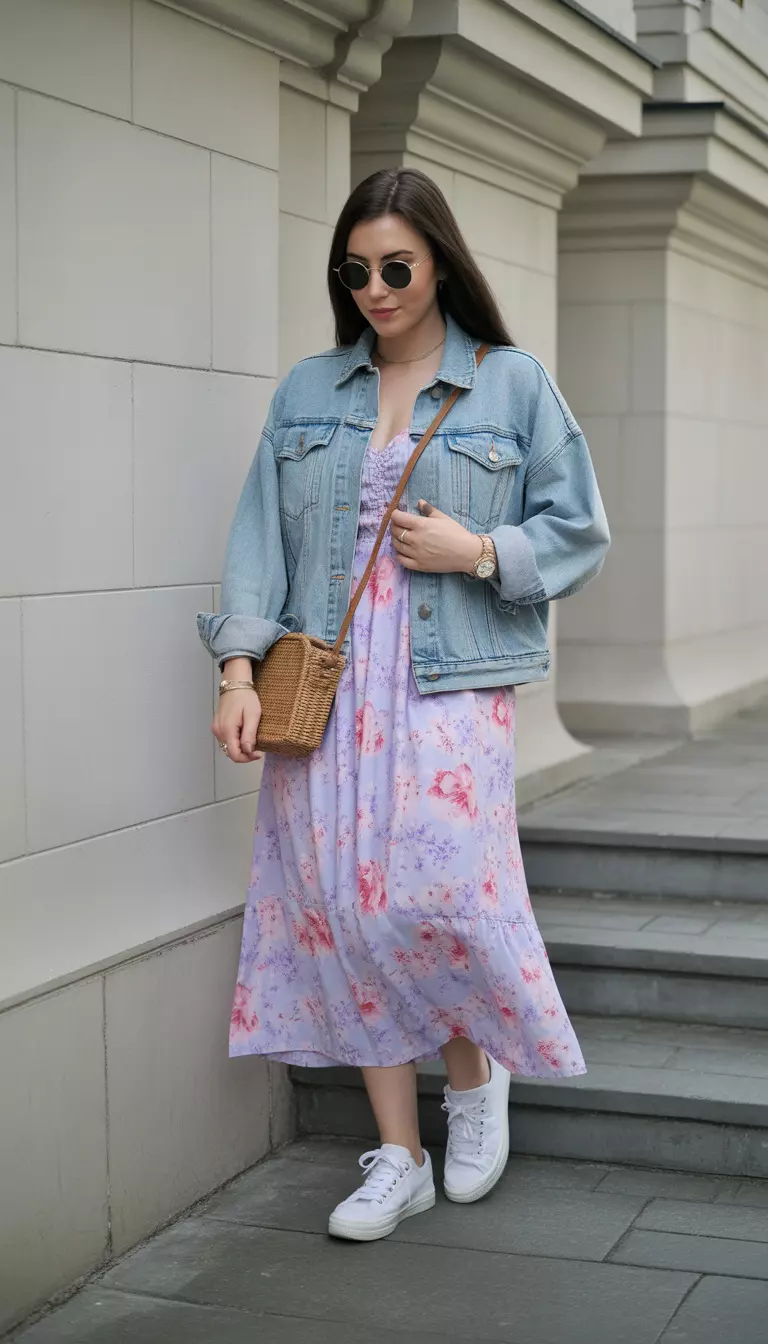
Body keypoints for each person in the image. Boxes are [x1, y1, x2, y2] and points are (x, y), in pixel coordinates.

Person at [197, 167, 609, 1242]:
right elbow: (256, 541)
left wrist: (478, 550)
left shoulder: (510, 383)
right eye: (356, 271)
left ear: (438, 262)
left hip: (447, 673)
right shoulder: (307, 391)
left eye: (396, 268)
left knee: (434, 895)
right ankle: (399, 1154)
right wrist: (239, 672)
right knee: (341, 902)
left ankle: (473, 1080)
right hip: (326, 678)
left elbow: (579, 529)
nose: (375, 288)